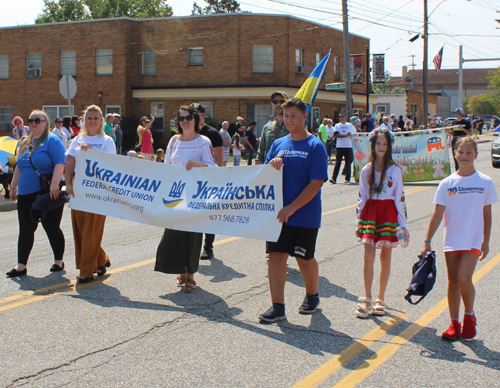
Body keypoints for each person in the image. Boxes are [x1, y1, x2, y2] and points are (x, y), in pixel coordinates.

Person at [258, 98, 328, 323]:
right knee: (276, 257)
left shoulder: (315, 146)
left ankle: (312, 296)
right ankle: (277, 306)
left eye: (293, 116)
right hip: (278, 215)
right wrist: (273, 164)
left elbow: (316, 183)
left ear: (305, 117)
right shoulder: (278, 144)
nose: (289, 120)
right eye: (286, 116)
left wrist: (291, 208)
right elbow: (266, 173)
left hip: (304, 215)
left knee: (304, 257)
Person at [421, 137, 498, 340]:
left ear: (476, 155)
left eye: (469, 152)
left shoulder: (485, 182)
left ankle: (469, 316)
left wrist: (486, 241)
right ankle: (454, 323)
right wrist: (427, 241)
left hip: (472, 239)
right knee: (453, 281)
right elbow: (438, 214)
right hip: (452, 239)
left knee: (465, 278)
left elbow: (487, 214)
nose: (464, 156)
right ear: (454, 153)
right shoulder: (447, 183)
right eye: (460, 152)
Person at [155, 105, 217, 293]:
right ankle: (181, 269)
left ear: (195, 119)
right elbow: (167, 167)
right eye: (180, 118)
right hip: (175, 196)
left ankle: (190, 276)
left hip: (196, 196)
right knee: (174, 235)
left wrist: (198, 164)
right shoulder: (174, 141)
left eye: (188, 117)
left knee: (192, 236)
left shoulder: (203, 141)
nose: (184, 121)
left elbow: (213, 168)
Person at [355, 127, 409, 318]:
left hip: (388, 214)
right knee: (368, 256)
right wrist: (358, 220)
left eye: (385, 144)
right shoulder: (366, 170)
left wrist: (403, 226)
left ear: (389, 146)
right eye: (378, 143)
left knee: (385, 258)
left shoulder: (395, 170)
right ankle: (367, 298)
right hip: (370, 213)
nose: (381, 147)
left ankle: (380, 298)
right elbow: (362, 196)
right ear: (372, 144)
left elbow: (399, 198)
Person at [6, 110, 67, 278]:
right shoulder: (25, 142)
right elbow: (19, 166)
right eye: (30, 120)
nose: (33, 123)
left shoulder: (52, 140)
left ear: (45, 122)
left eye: (37, 120)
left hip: (47, 193)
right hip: (25, 194)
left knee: (51, 227)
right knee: (26, 229)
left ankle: (58, 261)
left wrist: (55, 184)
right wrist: (13, 188)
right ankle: (21, 265)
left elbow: (60, 163)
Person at [65, 105, 116, 283]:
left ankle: (86, 271)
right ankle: (101, 260)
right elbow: (70, 164)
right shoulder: (77, 139)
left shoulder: (106, 141)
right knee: (80, 229)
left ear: (101, 121)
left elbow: (110, 165)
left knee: (91, 230)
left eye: (95, 118)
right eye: (89, 118)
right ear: (84, 120)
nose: (92, 121)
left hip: (98, 188)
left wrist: (91, 152)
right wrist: (68, 184)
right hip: (79, 186)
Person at [190, 102, 223, 261]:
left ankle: (208, 247)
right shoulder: (187, 133)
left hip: (208, 181)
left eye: (196, 114)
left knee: (209, 215)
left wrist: (217, 181)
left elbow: (219, 160)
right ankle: (192, 246)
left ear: (202, 115)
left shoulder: (213, 133)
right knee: (193, 214)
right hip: (191, 181)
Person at [256, 91, 289, 164]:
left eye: (282, 101)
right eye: (275, 102)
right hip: (270, 171)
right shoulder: (267, 127)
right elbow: (260, 154)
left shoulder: (293, 126)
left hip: (288, 171)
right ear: (272, 104)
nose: (278, 104)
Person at [330, 111, 356, 184]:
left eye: (343, 116)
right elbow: (336, 135)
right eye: (340, 116)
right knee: (337, 163)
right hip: (339, 146)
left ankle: (347, 179)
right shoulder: (337, 126)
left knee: (348, 163)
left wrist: (350, 136)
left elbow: (354, 133)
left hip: (348, 146)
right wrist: (345, 136)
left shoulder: (349, 125)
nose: (341, 118)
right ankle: (334, 178)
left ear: (346, 117)